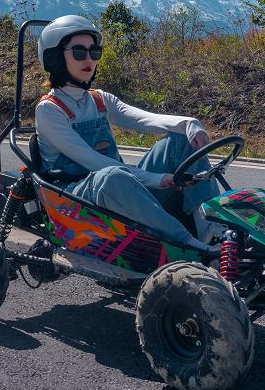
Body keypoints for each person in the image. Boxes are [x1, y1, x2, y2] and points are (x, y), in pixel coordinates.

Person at [33, 15, 218, 252]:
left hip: (118, 186)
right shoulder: (49, 109)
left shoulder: (100, 99)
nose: (89, 59)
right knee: (111, 175)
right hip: (76, 199)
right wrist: (156, 179)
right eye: (79, 52)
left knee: (181, 141)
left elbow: (144, 119)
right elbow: (94, 162)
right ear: (56, 58)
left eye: (94, 52)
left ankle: (211, 230)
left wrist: (187, 123)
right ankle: (188, 245)